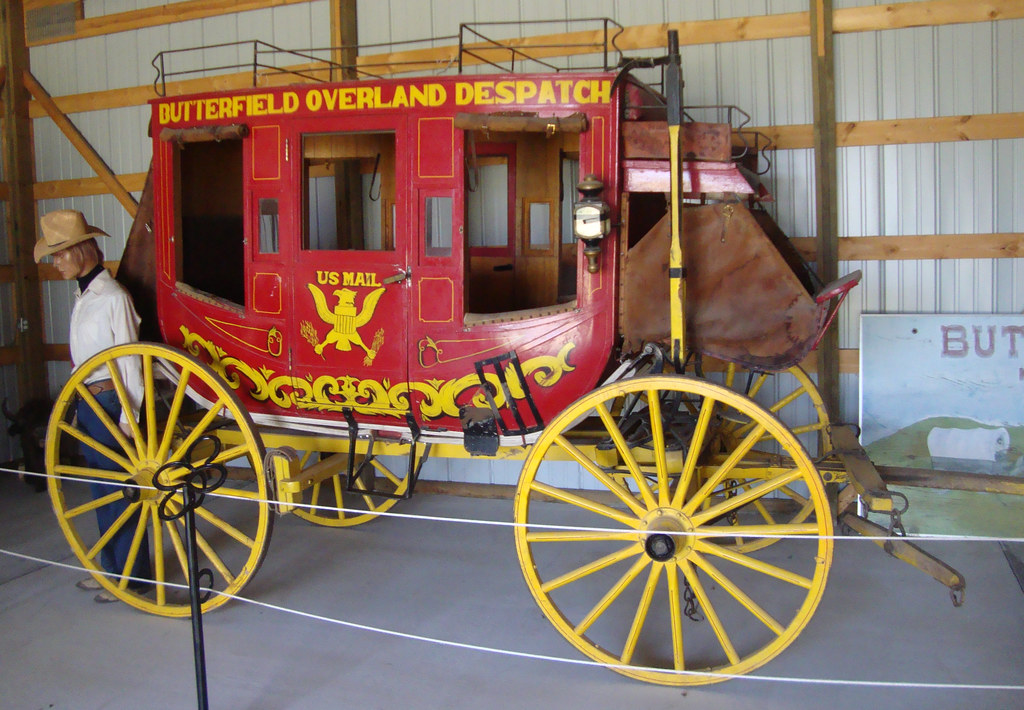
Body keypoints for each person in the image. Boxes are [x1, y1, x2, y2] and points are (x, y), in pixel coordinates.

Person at [34, 209, 151, 603]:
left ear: (82, 250)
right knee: (102, 489)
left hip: (110, 402)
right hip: (88, 401)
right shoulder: (86, 296)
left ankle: (133, 577)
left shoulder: (113, 298)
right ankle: (111, 571)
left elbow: (131, 360)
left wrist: (129, 417)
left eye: (60, 254)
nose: (56, 262)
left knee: (121, 490)